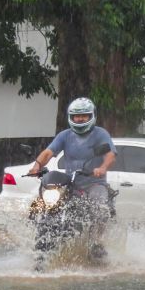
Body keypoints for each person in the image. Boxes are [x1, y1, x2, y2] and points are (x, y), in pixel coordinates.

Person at [28, 97, 117, 258]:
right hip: (71, 183)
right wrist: (37, 166)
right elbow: (49, 152)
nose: (80, 119)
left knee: (100, 208)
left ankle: (97, 243)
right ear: (71, 117)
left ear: (92, 116)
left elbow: (110, 155)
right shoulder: (65, 135)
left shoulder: (100, 134)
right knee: (45, 202)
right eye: (77, 116)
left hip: (94, 182)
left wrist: (102, 168)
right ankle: (41, 237)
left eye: (84, 115)